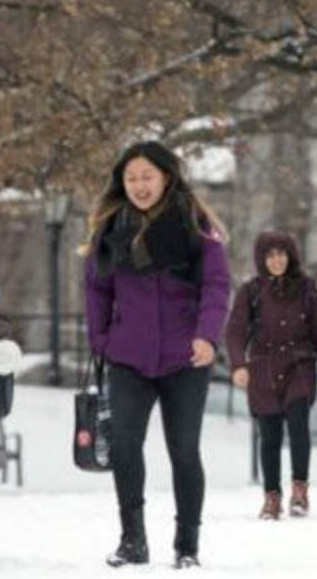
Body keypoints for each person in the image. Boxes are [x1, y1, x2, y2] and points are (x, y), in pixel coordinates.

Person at [82, 141, 231, 569]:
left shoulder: (196, 225)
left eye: (147, 176)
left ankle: (187, 546)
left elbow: (217, 286)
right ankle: (133, 541)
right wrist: (102, 341)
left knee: (184, 449)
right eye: (131, 178)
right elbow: (96, 288)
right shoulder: (110, 230)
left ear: (166, 176)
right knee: (125, 447)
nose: (139, 185)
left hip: (186, 358)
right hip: (129, 357)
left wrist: (207, 336)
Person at [224, 231, 317, 520]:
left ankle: (299, 491)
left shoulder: (307, 289)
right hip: (262, 367)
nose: (277, 260)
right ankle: (271, 497)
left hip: (299, 364)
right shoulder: (250, 291)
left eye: (282, 254)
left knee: (299, 425)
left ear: (291, 257)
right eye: (271, 255)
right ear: (262, 260)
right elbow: (235, 330)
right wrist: (238, 364)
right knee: (270, 435)